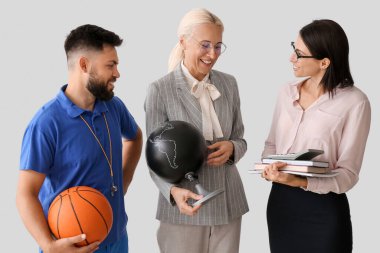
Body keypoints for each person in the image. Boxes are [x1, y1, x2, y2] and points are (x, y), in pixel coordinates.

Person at [16, 24, 143, 253]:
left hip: (116, 239)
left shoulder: (113, 107)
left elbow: (135, 137)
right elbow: (25, 194)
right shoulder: (46, 123)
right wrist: (48, 245)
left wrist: (122, 182)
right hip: (70, 247)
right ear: (84, 65)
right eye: (110, 65)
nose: (117, 73)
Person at [261, 19, 371, 253]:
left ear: (324, 62)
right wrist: (269, 165)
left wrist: (301, 181)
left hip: (323, 211)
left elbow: (348, 174)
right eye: (294, 49)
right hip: (281, 206)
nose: (292, 58)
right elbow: (271, 143)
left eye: (299, 54)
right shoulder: (285, 92)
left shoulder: (355, 102)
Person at [144, 8, 249, 253]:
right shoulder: (160, 90)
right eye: (205, 45)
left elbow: (241, 138)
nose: (212, 54)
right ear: (183, 42)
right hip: (186, 208)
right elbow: (154, 157)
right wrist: (172, 192)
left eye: (218, 46)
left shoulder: (229, 83)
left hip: (228, 203)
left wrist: (233, 148)